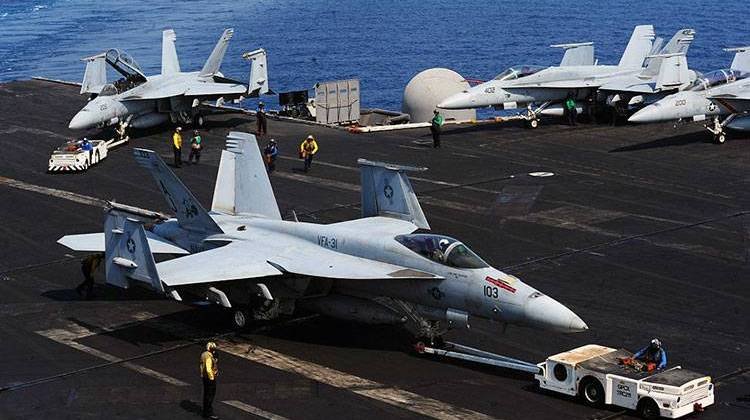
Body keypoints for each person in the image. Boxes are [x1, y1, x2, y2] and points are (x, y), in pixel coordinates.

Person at [200, 341, 219, 419]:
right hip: (209, 378)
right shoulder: (208, 357)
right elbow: (208, 369)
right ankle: (208, 412)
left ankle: (206, 412)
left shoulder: (204, 354)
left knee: (206, 394)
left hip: (204, 377)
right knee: (210, 395)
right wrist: (212, 378)